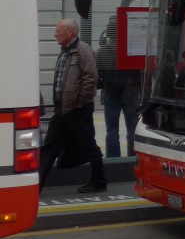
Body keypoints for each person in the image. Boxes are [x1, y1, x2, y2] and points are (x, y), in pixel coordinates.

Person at [40, 18, 107, 193]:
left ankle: (99, 182)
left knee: (89, 146)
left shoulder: (83, 50)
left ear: (69, 32)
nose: (55, 34)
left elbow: (91, 78)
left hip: (78, 109)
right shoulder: (65, 51)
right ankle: (36, 185)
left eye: (58, 31)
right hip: (62, 109)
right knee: (49, 147)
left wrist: (79, 101)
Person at [96, 16, 140, 157]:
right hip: (131, 92)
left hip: (110, 91)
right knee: (132, 129)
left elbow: (98, 77)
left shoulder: (102, 52)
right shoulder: (132, 51)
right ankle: (132, 158)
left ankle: (113, 160)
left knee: (112, 131)